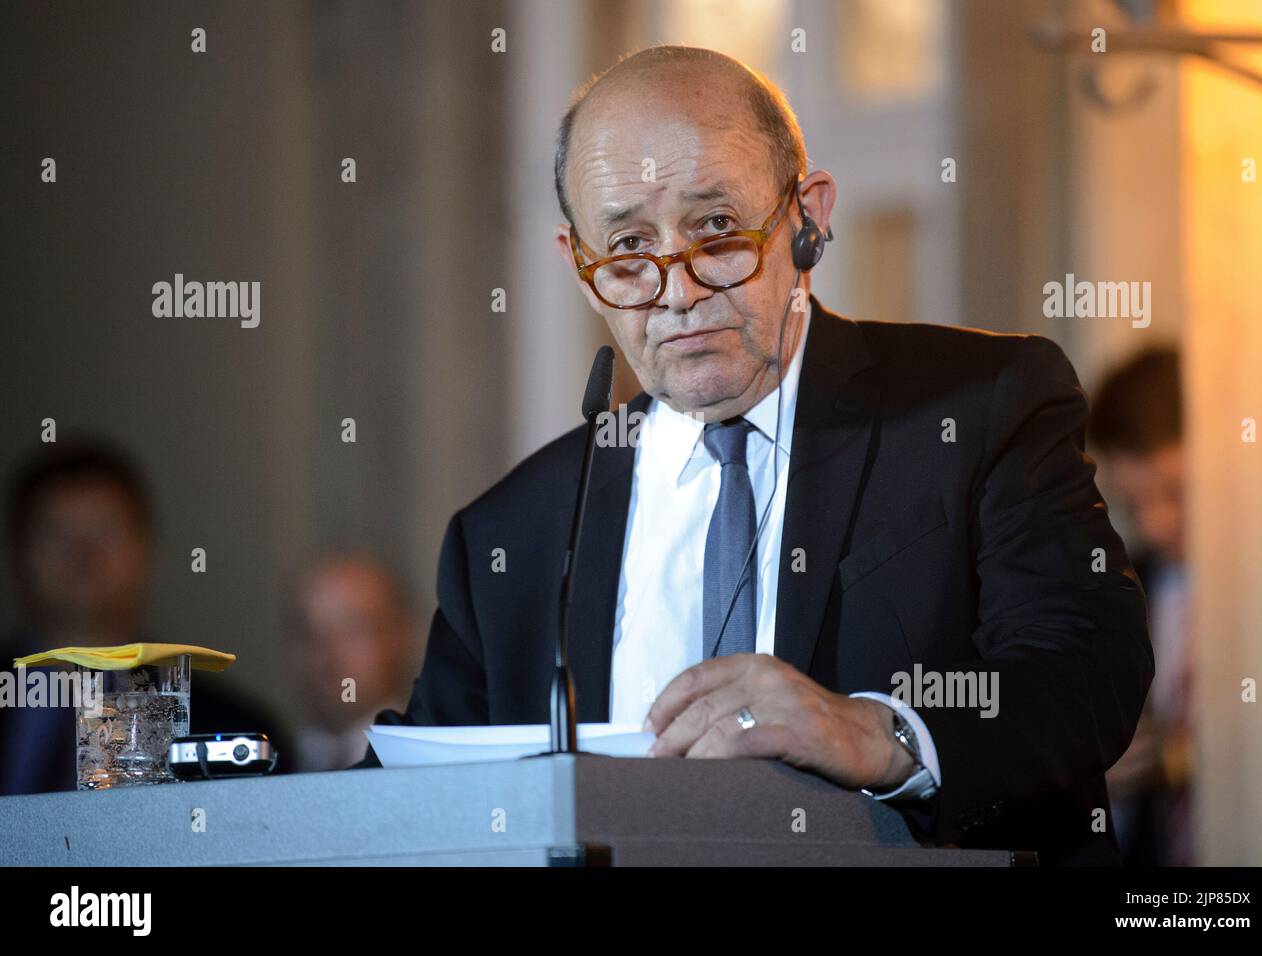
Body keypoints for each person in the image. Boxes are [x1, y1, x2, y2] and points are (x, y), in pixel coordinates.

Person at [359, 45, 1152, 865]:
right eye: (628, 247)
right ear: (579, 266)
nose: (678, 288)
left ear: (808, 216)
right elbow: (409, 802)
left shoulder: (978, 407)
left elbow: (1089, 669)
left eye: (716, 228)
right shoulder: (514, 532)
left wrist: (878, 735)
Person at [0, 438, 295, 794]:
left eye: (106, 532)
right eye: (56, 534)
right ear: (17, 553)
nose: (83, 556)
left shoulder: (230, 728)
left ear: (146, 550)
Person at [1089, 346, 1192, 865]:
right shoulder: (1124, 592)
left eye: (1176, 493)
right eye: (1134, 504)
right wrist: (1102, 784)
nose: (1154, 524)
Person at [288, 553, 421, 772]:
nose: (324, 655)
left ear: (403, 636)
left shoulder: (435, 764)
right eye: (306, 632)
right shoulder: (267, 758)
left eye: (352, 629)